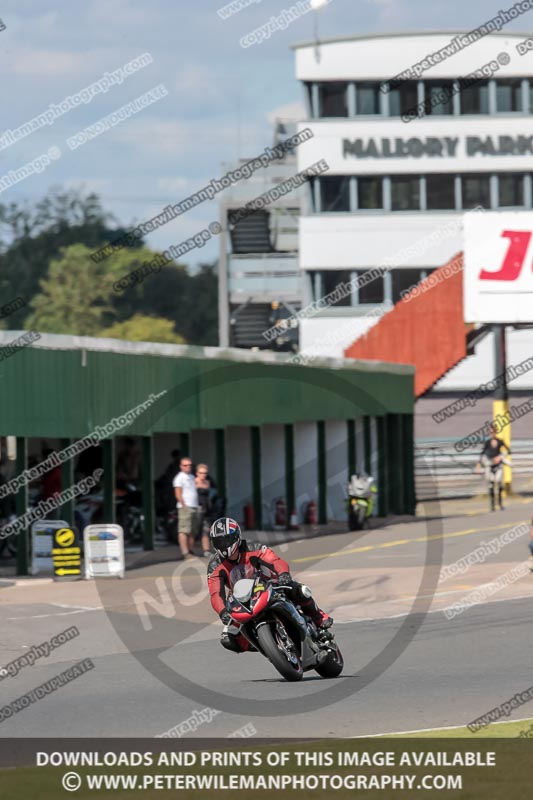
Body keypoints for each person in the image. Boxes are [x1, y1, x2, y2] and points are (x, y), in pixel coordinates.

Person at [207, 517, 332, 654]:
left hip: (268, 584)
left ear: (236, 537)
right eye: (219, 541)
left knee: (298, 590)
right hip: (242, 598)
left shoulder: (253, 547)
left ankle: (318, 617)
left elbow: (274, 560)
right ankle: (264, 644)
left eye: (226, 540)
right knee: (228, 639)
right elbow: (215, 594)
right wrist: (222, 611)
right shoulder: (215, 566)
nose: (223, 545)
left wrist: (283, 573)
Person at [475, 423, 511, 511]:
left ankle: (500, 504)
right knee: (491, 484)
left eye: (494, 432)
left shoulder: (500, 441)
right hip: (489, 466)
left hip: (498, 466)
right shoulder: (487, 442)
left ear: (496, 432)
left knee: (498, 483)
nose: (492, 434)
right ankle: (492, 505)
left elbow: (508, 451)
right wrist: (479, 464)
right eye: (491, 432)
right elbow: (482, 453)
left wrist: (501, 456)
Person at [173, 456, 201, 559]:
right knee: (184, 530)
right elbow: (178, 493)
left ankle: (190, 551)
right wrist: (184, 506)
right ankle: (185, 553)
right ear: (181, 466)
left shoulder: (192, 477)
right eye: (185, 465)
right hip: (185, 507)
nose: (188, 467)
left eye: (189, 465)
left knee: (192, 531)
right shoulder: (179, 478)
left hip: (194, 506)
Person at [195, 463, 213, 558]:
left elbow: (208, 496)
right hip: (197, 508)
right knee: (194, 530)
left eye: (205, 473)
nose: (203, 475)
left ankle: (206, 550)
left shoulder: (207, 482)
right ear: (197, 473)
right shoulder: (194, 482)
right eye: (201, 473)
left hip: (206, 509)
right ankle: (190, 551)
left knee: (206, 530)